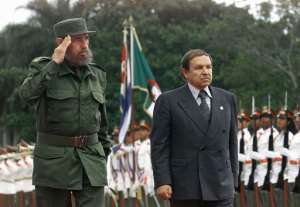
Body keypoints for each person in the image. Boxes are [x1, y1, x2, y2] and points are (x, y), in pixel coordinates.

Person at [19, 18, 111, 207]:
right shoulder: (43, 69)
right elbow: (27, 95)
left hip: (91, 162)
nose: (84, 45)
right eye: (78, 40)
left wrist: (103, 153)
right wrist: (54, 63)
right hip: (54, 164)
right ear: (61, 42)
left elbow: (101, 122)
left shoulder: (97, 75)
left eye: (86, 38)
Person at [150, 49, 238, 207]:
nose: (205, 72)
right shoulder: (168, 101)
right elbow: (159, 145)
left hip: (221, 185)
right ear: (185, 72)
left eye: (208, 67)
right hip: (186, 186)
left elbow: (232, 144)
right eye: (199, 68)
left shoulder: (227, 99)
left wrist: (233, 180)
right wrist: (162, 181)